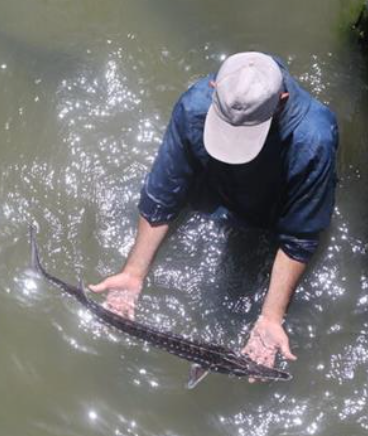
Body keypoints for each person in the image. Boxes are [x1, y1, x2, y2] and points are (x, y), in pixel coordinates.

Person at [89, 52, 338, 374]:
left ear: (282, 100)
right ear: (213, 86)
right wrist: (133, 273)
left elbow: (299, 237)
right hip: (210, 187)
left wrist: (271, 316)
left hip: (265, 208)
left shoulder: (313, 138)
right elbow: (162, 194)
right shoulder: (194, 103)